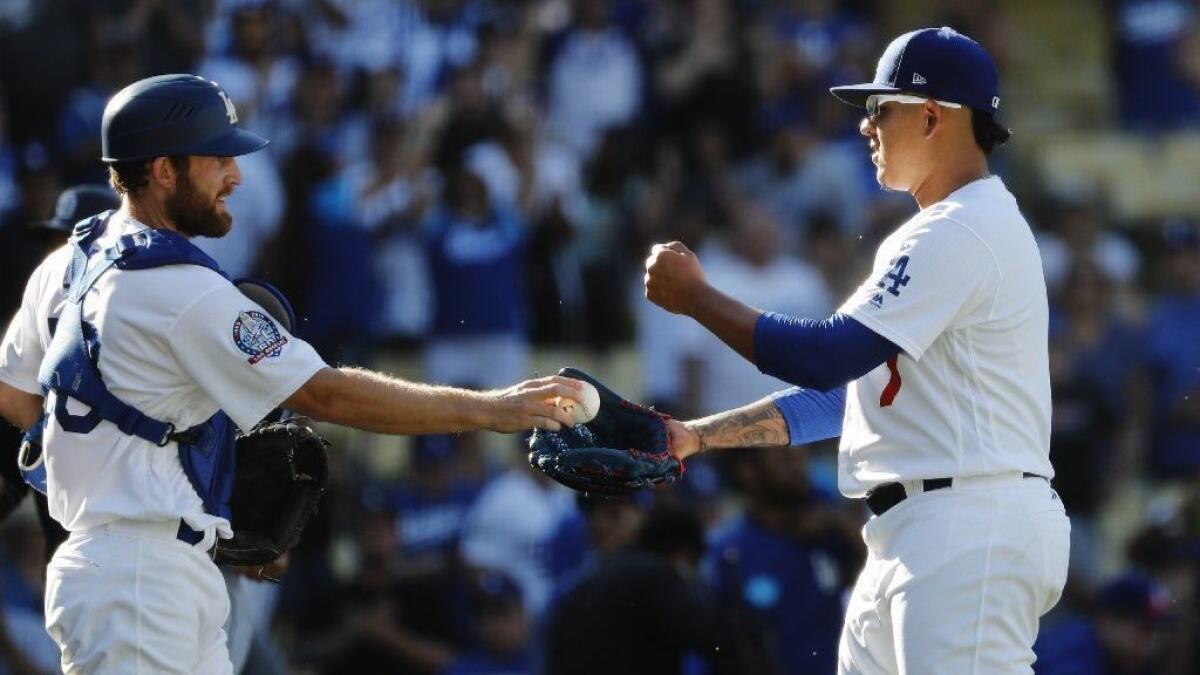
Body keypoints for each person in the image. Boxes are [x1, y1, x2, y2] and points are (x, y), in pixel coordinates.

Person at [0, 74, 581, 675]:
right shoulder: (181, 288)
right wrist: (491, 409)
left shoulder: (69, 261)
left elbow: (15, 396)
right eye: (216, 157)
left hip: (135, 565)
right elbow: (324, 393)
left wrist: (102, 459)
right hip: (140, 579)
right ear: (163, 170)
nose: (236, 175)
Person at [643, 27, 1070, 674]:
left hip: (967, 521)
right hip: (918, 527)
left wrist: (698, 298)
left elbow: (824, 356)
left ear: (933, 116)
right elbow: (842, 396)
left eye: (880, 109)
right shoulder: (939, 231)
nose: (866, 126)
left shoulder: (967, 228)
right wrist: (695, 438)